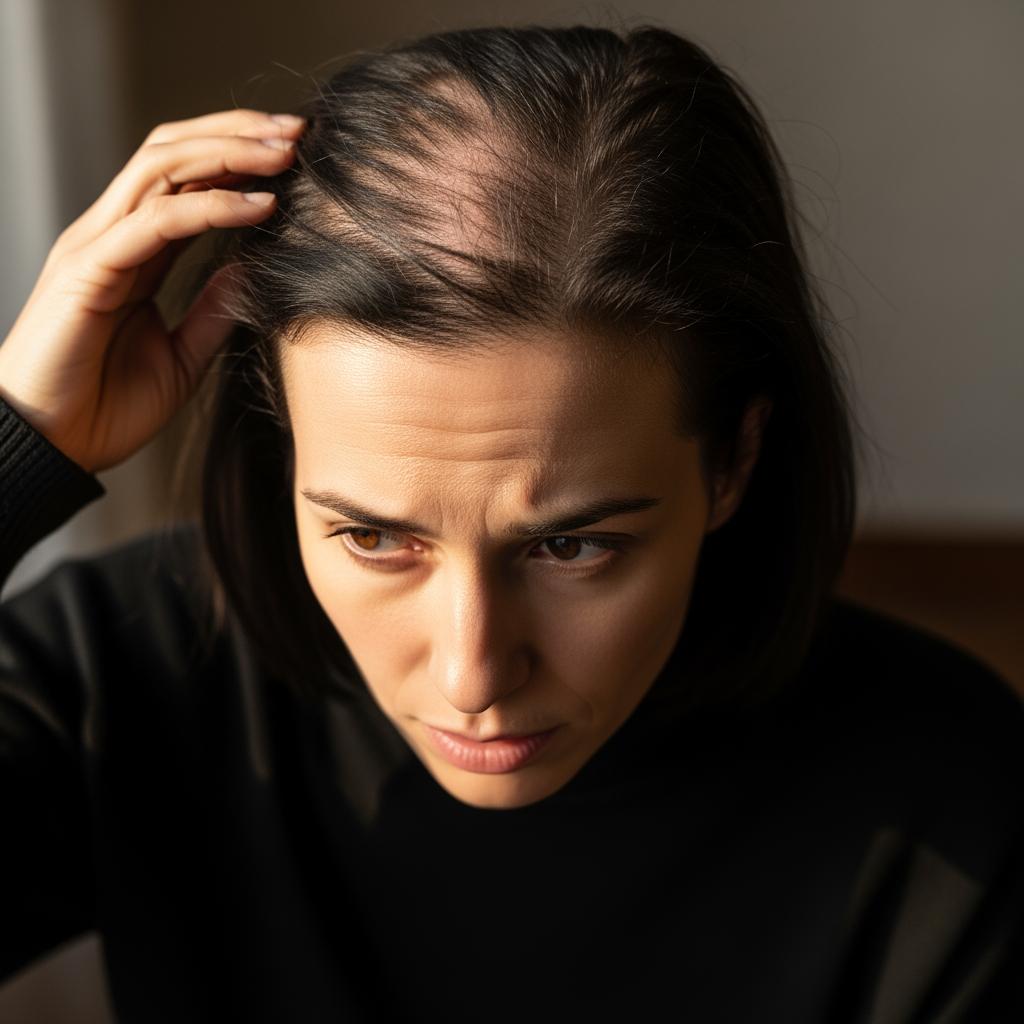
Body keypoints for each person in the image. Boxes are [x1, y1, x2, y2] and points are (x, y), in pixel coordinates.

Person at [0, 22, 1021, 1023]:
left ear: (732, 461)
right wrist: (18, 449)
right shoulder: (120, 671)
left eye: (572, 545)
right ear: (285, 444)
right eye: (373, 535)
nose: (471, 673)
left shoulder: (957, 800)